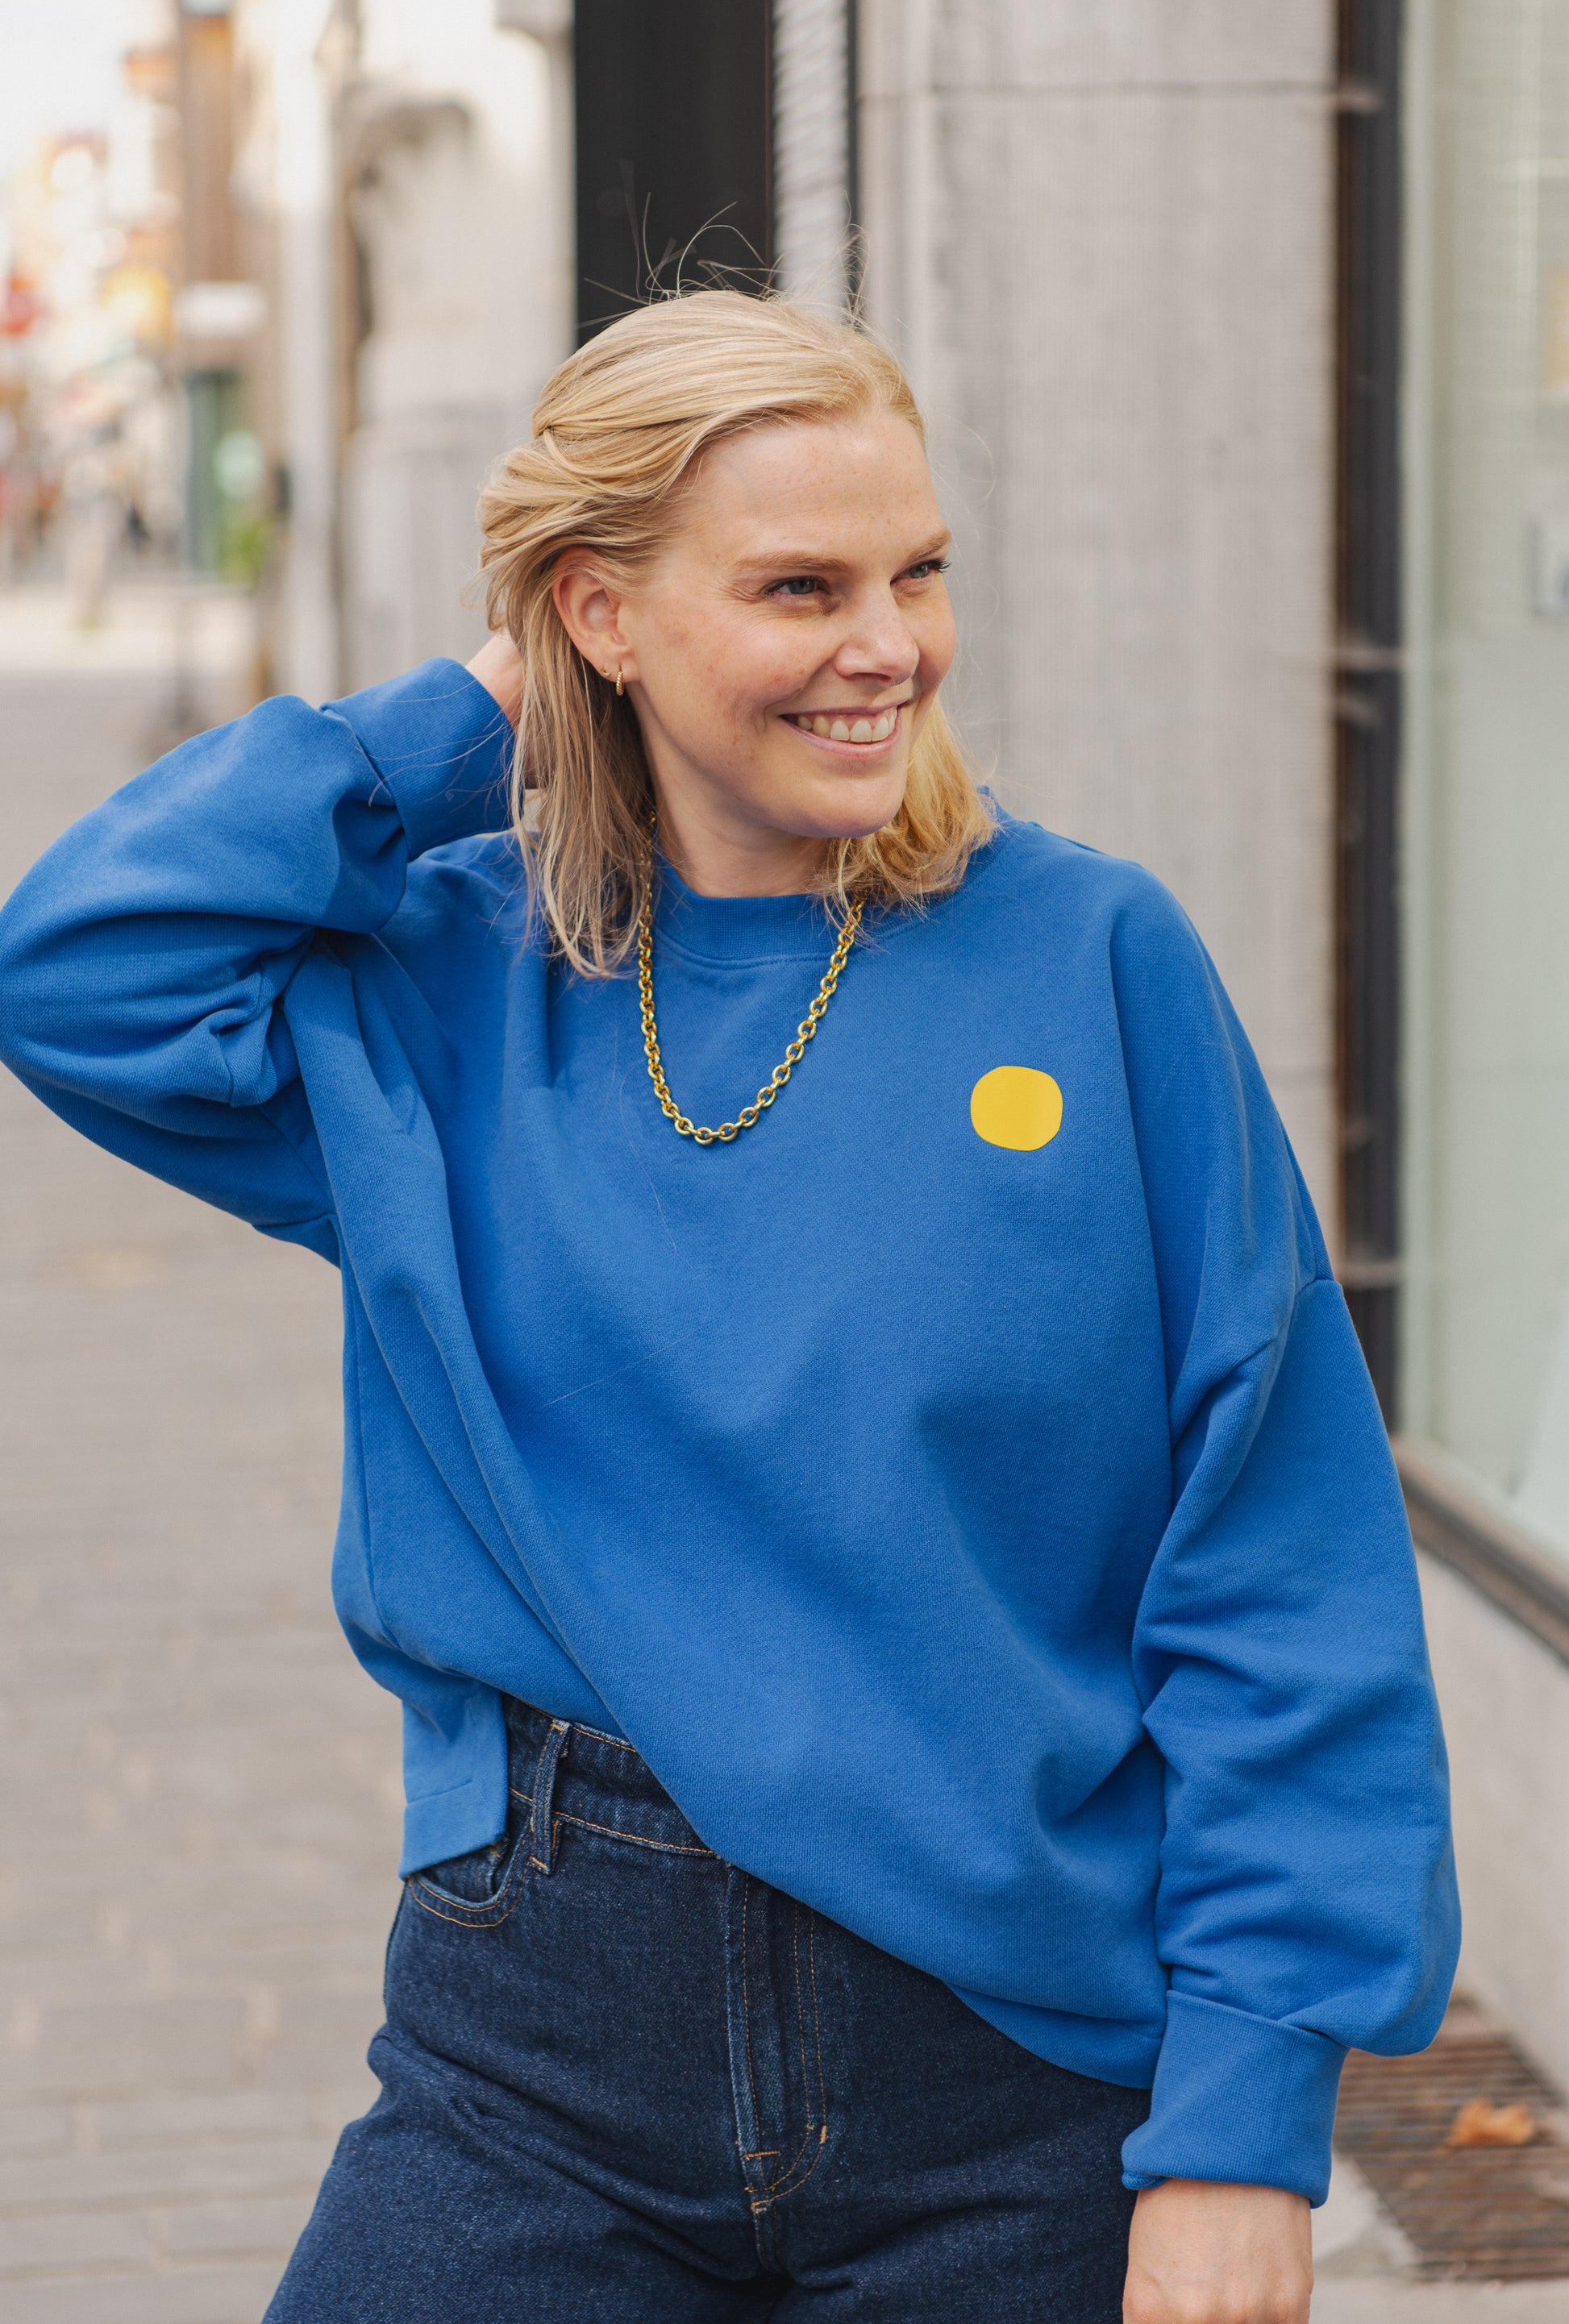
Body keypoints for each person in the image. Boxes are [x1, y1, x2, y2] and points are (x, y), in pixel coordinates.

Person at [0, 293, 1458, 2322]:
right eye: (800, 586)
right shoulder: (441, 984)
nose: (892, 645)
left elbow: (1277, 1553)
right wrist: (469, 720)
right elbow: (79, 965)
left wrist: (1243, 2114)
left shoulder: (1092, 958)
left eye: (916, 572)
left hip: (1017, 2067)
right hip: (538, 2049)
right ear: (599, 613)